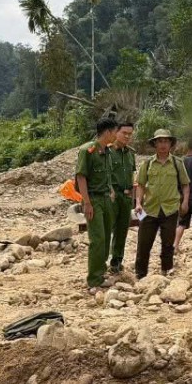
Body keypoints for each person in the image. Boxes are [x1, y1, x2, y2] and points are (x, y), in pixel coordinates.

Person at [133, 129, 189, 278]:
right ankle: (140, 273)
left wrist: (185, 203)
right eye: (160, 141)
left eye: (166, 141)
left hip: (170, 209)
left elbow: (185, 184)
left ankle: (166, 269)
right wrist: (138, 202)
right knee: (144, 242)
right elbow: (141, 185)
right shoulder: (147, 163)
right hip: (149, 208)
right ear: (155, 144)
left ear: (170, 144)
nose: (163, 144)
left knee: (168, 243)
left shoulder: (177, 163)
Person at [76, 117, 119, 293]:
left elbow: (107, 176)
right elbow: (81, 177)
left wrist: (111, 192)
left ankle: (100, 274)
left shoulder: (107, 152)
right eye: (115, 131)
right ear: (108, 132)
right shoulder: (88, 150)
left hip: (106, 199)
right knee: (98, 239)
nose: (116, 135)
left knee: (106, 237)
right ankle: (94, 279)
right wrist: (86, 202)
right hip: (93, 199)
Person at [107, 120, 137, 276]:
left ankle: (116, 262)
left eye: (130, 134)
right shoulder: (108, 152)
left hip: (126, 197)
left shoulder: (130, 154)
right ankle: (101, 262)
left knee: (122, 231)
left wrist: (134, 196)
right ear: (116, 133)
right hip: (112, 196)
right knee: (107, 229)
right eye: (124, 133)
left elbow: (132, 175)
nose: (127, 136)